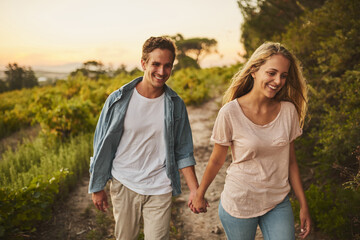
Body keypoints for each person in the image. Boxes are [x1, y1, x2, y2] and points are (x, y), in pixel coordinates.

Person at [192, 42, 311, 240]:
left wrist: (304, 205)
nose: (277, 80)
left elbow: (291, 162)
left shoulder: (288, 111)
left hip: (277, 201)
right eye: (271, 73)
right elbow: (216, 160)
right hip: (240, 202)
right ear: (254, 70)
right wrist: (199, 194)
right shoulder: (230, 112)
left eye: (283, 75)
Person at [88, 36, 201, 240]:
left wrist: (195, 190)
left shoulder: (176, 105)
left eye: (168, 66)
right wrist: (97, 186)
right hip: (124, 183)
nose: (161, 71)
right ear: (143, 63)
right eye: (155, 64)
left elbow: (183, 151)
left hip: (160, 186)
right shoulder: (118, 100)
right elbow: (101, 145)